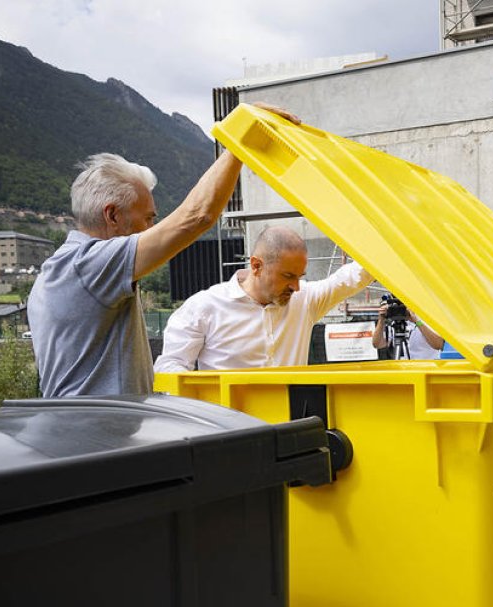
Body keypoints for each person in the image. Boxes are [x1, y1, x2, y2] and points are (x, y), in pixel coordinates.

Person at [28, 103, 300, 397]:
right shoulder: (89, 264)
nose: (150, 230)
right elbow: (198, 217)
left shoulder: (60, 268)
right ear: (113, 216)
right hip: (98, 434)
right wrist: (239, 142)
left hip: (86, 429)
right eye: (147, 218)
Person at [154, 227, 373, 372]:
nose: (296, 287)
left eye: (300, 277)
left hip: (289, 430)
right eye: (288, 276)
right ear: (256, 266)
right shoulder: (204, 307)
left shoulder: (304, 299)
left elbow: (352, 278)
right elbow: (171, 365)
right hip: (227, 433)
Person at [371, 295, 444, 359]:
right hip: (404, 370)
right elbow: (378, 344)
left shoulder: (427, 319)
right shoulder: (395, 322)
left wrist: (417, 321)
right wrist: (381, 319)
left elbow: (439, 345)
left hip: (425, 370)